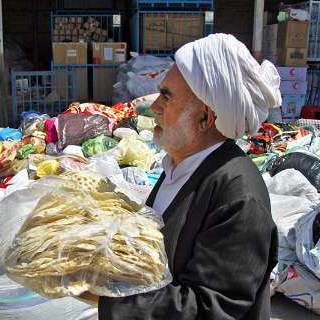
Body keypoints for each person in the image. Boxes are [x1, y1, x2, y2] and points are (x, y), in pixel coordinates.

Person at [84, 33, 281, 319]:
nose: (154, 108)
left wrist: (105, 296)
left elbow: (210, 308)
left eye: (166, 96)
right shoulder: (180, 167)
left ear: (205, 118)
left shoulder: (238, 197)